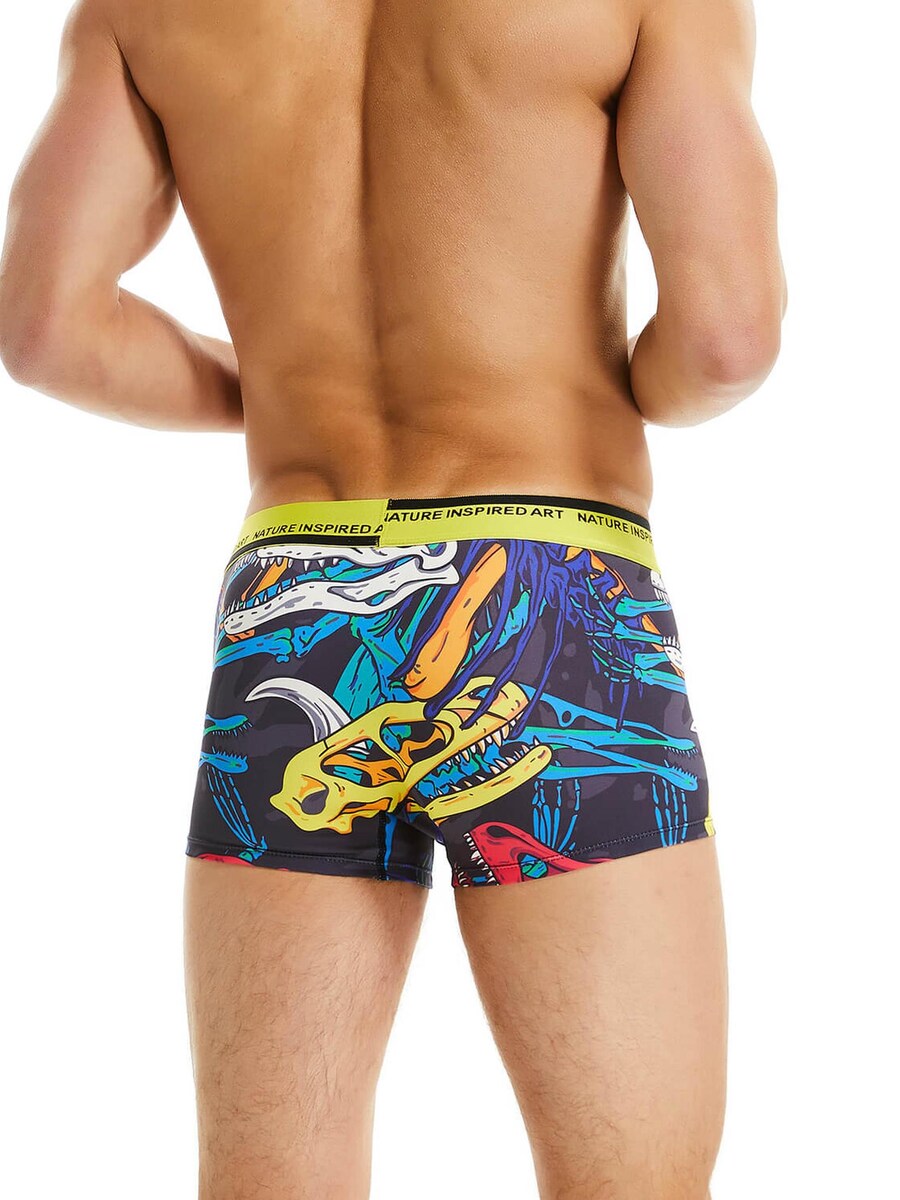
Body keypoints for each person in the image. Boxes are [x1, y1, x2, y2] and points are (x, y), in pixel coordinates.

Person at [0, 0, 786, 1194]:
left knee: (275, 1174)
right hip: (542, 580)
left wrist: (276, 393)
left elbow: (46, 327)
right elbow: (728, 339)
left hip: (297, 598)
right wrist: (619, 387)